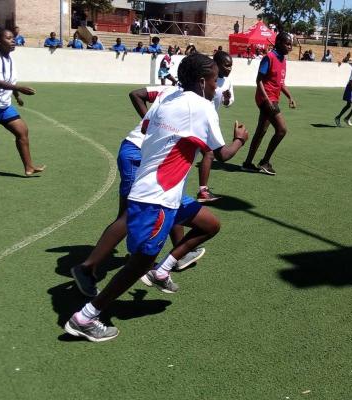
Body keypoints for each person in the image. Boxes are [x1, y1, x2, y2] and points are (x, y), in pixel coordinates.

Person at [63, 54, 249, 342]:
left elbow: (149, 128)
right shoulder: (202, 106)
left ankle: (162, 271)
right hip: (157, 198)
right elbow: (222, 154)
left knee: (210, 225)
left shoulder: (166, 97)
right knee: (138, 263)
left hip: (165, 193)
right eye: (214, 80)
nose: (218, 87)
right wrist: (240, 139)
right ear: (202, 81)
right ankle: (85, 317)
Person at [0, 29, 45, 182]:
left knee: (22, 131)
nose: (13, 41)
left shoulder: (8, 58)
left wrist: (16, 96)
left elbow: (9, 81)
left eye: (14, 38)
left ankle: (29, 167)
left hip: (3, 104)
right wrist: (19, 89)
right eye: (9, 38)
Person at [241, 31, 296, 176]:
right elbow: (259, 80)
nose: (290, 47)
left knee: (261, 132)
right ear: (278, 43)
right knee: (282, 129)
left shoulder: (283, 60)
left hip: (273, 98)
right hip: (266, 99)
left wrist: (290, 96)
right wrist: (266, 100)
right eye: (287, 43)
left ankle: (247, 163)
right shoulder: (269, 57)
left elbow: (280, 83)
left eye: (291, 44)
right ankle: (265, 162)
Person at [196, 51, 236, 203]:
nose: (229, 68)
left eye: (231, 65)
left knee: (209, 153)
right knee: (213, 154)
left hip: (212, 120)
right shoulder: (204, 76)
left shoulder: (227, 82)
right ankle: (203, 192)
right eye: (226, 65)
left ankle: (203, 191)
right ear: (216, 65)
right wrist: (239, 140)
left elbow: (229, 102)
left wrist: (227, 99)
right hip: (201, 118)